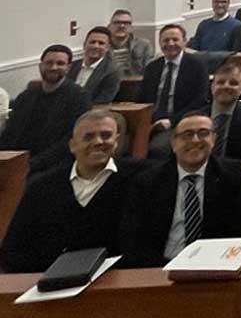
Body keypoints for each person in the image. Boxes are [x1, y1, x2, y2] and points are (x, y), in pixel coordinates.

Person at [0, 110, 142, 272]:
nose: (98, 142)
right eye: (88, 137)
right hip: (47, 279)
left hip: (117, 278)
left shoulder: (140, 179)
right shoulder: (41, 187)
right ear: (72, 145)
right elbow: (14, 250)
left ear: (117, 141)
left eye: (106, 135)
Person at [118, 113, 241, 267]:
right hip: (159, 267)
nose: (195, 140)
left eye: (203, 133)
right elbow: (133, 239)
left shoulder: (232, 176)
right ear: (174, 143)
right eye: (187, 135)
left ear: (213, 139)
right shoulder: (148, 181)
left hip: (215, 266)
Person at [140, 24, 209, 125]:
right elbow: (142, 98)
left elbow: (200, 101)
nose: (170, 44)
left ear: (184, 42)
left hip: (183, 121)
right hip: (151, 121)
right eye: (166, 40)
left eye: (175, 39)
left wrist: (172, 121)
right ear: (159, 43)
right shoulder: (152, 67)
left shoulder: (197, 66)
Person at [68, 26, 122, 104]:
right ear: (84, 44)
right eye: (92, 42)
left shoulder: (112, 72)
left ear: (107, 48)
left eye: (101, 43)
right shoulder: (72, 66)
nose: (96, 46)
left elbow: (103, 101)